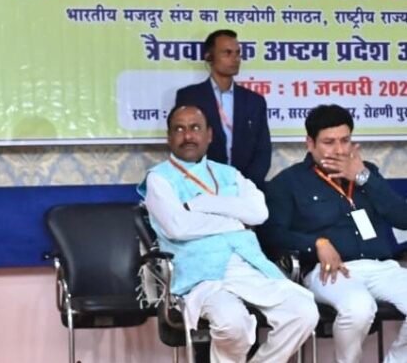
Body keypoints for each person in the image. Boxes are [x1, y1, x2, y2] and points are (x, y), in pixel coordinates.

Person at [137, 105, 317, 363]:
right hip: (200, 274)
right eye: (179, 129)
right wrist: (234, 220)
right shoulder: (159, 179)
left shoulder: (229, 174)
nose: (188, 136)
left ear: (209, 135)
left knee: (304, 312)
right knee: (232, 324)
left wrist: (201, 204)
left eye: (195, 128)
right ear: (169, 137)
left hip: (248, 267)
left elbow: (258, 213)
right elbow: (178, 226)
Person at [260, 104, 407, 363]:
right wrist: (315, 243)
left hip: (380, 267)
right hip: (329, 272)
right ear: (310, 143)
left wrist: (362, 177)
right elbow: (272, 235)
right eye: (329, 142)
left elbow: (402, 218)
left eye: (345, 140)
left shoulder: (367, 172)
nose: (339, 150)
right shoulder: (289, 182)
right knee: (359, 308)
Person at [175, 29, 271, 189]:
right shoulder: (190, 97)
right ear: (209, 56)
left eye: (238, 53)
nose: (235, 59)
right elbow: (185, 147)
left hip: (245, 190)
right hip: (202, 188)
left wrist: (245, 186)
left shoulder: (254, 101)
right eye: (227, 53)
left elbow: (263, 151)